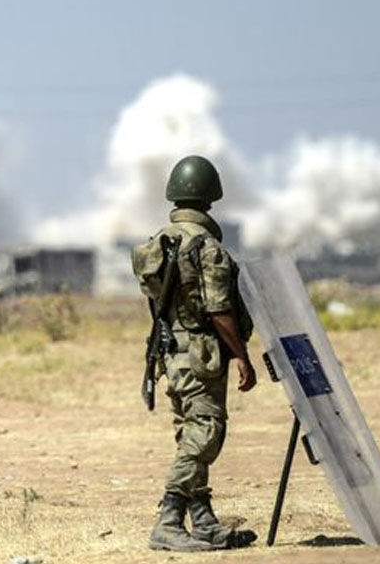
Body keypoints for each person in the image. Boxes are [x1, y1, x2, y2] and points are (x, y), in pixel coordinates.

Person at [131, 155, 259, 551]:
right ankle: (168, 521)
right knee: (205, 432)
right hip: (203, 355)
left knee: (190, 431)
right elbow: (219, 310)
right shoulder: (207, 248)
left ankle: (201, 518)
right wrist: (242, 355)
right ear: (210, 197)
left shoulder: (159, 244)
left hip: (172, 354)